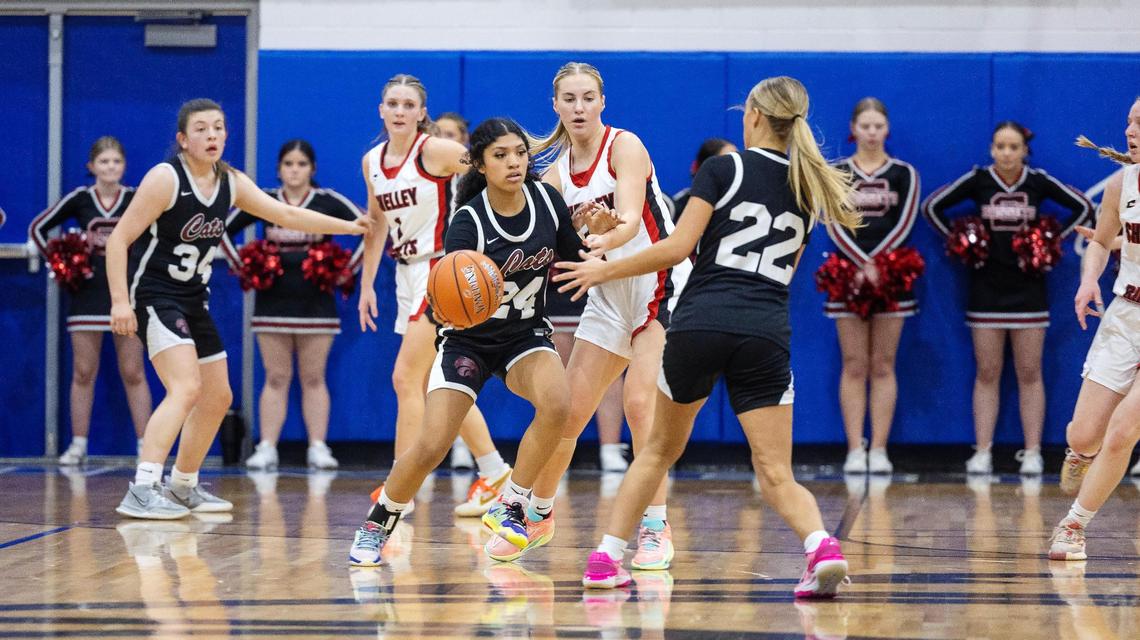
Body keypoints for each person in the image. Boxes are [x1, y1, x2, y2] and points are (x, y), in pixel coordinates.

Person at [555, 75, 859, 598]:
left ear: (757, 117)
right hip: (766, 330)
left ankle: (606, 559)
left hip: (702, 321)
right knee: (775, 473)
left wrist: (602, 270)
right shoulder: (811, 190)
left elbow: (677, 249)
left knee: (655, 452)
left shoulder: (725, 167)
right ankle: (820, 546)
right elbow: (788, 274)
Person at [106, 98, 371, 519]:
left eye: (218, 127)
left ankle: (183, 486)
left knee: (217, 396)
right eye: (201, 129)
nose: (212, 136)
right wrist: (120, 301)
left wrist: (351, 226)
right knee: (186, 387)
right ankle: (141, 487)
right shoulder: (165, 178)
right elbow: (119, 239)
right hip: (155, 294)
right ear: (182, 139)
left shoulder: (229, 180)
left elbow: (286, 213)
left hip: (194, 297)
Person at [348, 117, 585, 566]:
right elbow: (445, 299)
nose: (514, 162)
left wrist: (598, 231)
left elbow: (577, 256)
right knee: (431, 445)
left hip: (524, 334)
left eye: (520, 152)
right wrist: (449, 308)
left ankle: (512, 504)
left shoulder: (548, 201)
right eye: (501, 155)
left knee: (559, 404)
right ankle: (378, 522)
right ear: (478, 164)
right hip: (469, 342)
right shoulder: (468, 221)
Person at [494, 61, 691, 570]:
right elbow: (538, 240)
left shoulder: (624, 146)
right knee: (567, 410)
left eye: (588, 98)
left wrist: (603, 238)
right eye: (569, 99)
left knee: (640, 405)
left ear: (602, 102)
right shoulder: (556, 177)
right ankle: (537, 513)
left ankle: (654, 528)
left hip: (659, 282)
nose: (579, 107)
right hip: (609, 292)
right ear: (555, 106)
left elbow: (627, 218)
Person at [356, 75, 511, 517]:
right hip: (404, 272)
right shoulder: (371, 161)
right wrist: (368, 283)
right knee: (434, 383)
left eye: (409, 104)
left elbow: (497, 168)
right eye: (393, 103)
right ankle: (496, 472)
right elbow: (376, 222)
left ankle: (397, 491)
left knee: (406, 379)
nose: (401, 111)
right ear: (381, 110)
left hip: (442, 270)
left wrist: (487, 234)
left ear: (422, 113)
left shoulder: (435, 151)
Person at [923, 121, 1091, 475]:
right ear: (991, 149)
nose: (1006, 153)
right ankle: (982, 451)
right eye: (1000, 146)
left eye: (1014, 147)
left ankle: (1033, 452)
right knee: (987, 372)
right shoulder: (979, 180)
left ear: (1025, 150)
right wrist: (962, 241)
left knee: (1030, 372)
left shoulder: (1038, 181)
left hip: (1029, 291)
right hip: (985, 290)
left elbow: (1082, 207)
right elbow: (933, 208)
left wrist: (1048, 241)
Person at [220, 139, 365, 470]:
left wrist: (346, 271)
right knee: (275, 376)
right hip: (272, 304)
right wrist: (241, 265)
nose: (294, 170)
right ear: (279, 169)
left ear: (312, 169)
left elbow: (365, 229)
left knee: (314, 377)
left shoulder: (326, 201)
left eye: (301, 164)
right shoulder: (266, 200)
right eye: (288, 164)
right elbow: (222, 230)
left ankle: (318, 446)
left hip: (317, 306)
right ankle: (267, 447)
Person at [1047, 99, 1140, 560]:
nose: (1130, 130)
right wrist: (1088, 280)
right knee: (1084, 434)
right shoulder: (1122, 183)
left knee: (1124, 430)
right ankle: (1081, 453)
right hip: (1127, 314)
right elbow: (1102, 242)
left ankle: (1073, 527)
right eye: (1128, 121)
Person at [29, 136, 152, 464]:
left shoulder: (135, 198)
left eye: (116, 162)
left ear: (124, 166)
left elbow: (156, 238)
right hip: (86, 298)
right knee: (83, 371)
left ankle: (146, 446)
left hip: (126, 296)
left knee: (134, 371)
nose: (110, 167)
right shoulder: (81, 199)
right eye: (104, 162)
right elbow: (38, 228)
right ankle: (78, 445)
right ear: (91, 166)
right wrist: (62, 267)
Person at [826, 98, 920, 474]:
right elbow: (832, 222)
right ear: (853, 129)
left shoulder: (904, 173)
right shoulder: (837, 172)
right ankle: (854, 448)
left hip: (891, 275)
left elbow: (906, 219)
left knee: (883, 364)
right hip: (846, 274)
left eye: (878, 126)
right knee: (853, 364)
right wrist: (859, 262)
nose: (871, 133)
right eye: (864, 126)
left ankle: (879, 448)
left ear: (887, 129)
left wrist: (877, 262)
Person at [671, 137, 737, 222]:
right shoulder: (680, 207)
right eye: (729, 165)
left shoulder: (742, 205)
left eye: (738, 161)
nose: (736, 170)